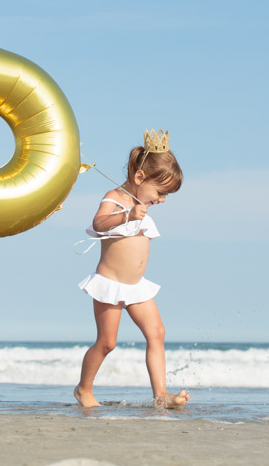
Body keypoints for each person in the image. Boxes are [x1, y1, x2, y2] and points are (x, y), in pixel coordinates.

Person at [74, 130, 189, 409]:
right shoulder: (115, 196)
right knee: (107, 343)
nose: (162, 200)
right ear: (140, 178)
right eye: (160, 192)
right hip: (110, 284)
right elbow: (99, 223)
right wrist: (126, 215)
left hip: (136, 286)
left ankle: (161, 395)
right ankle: (83, 389)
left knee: (157, 333)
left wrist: (138, 210)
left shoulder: (142, 204)